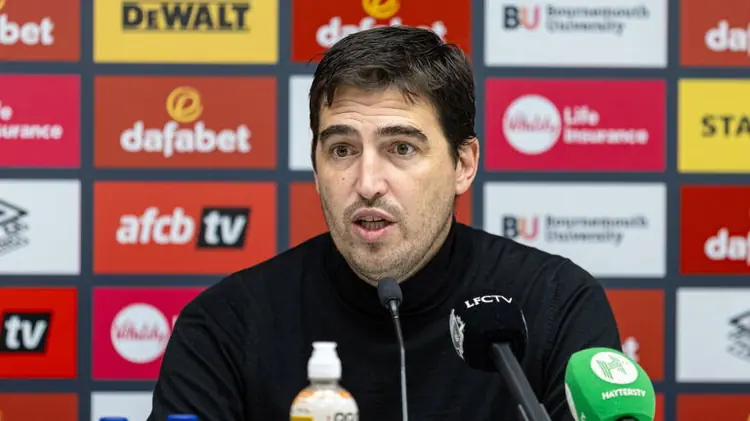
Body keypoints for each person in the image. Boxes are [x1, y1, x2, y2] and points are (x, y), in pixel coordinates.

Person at [147, 26, 621, 421]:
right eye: (342, 150)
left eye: (401, 148)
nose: (368, 183)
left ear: (463, 164)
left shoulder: (556, 304)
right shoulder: (225, 325)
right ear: (315, 168)